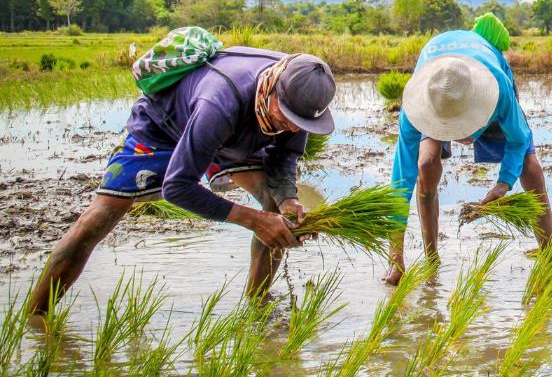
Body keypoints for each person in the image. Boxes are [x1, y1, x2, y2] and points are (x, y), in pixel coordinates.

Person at [28, 44, 336, 316]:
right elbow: (177, 187)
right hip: (165, 127)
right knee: (100, 217)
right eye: (287, 118)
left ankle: (256, 307)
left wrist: (287, 199)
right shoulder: (220, 101)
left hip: (236, 134)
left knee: (274, 209)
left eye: (301, 124)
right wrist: (254, 220)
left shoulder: (299, 102)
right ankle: (36, 318)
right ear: (271, 88)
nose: (293, 129)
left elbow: (284, 157)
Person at [384, 13, 552, 285]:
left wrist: (503, 183)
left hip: (479, 77)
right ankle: (431, 259)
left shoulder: (497, 87)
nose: (460, 136)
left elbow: (518, 138)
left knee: (531, 168)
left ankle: (549, 256)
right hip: (438, 87)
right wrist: (395, 258)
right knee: (425, 166)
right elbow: (400, 185)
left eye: (462, 126)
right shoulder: (417, 103)